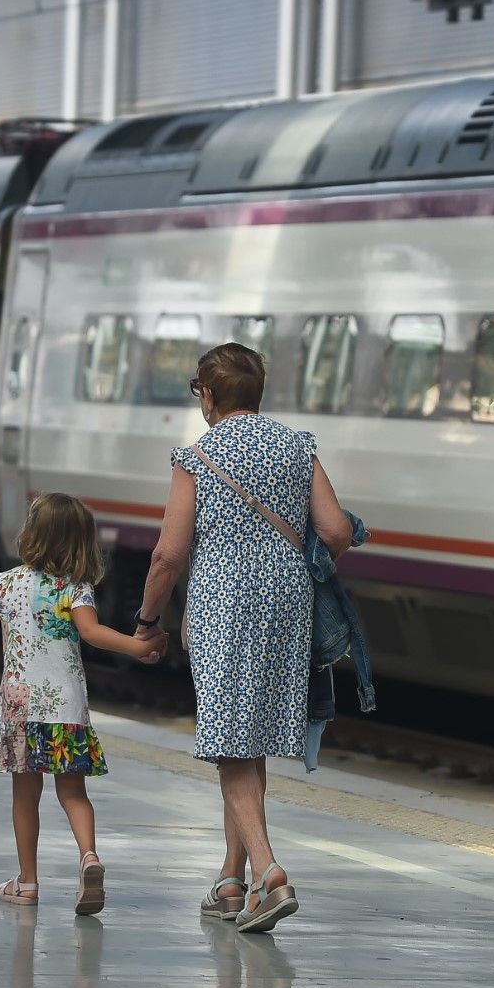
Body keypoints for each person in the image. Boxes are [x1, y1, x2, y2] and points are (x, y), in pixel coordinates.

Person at [134, 342, 355, 934]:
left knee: (231, 742)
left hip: (224, 607)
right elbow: (334, 528)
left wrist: (149, 619)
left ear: (207, 396)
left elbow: (168, 554)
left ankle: (269, 872)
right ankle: (232, 881)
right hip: (288, 605)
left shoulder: (198, 456)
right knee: (248, 737)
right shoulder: (296, 444)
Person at [0, 492, 160, 915]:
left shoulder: (2, 584)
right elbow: (92, 634)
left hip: (20, 712)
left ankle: (27, 883)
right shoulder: (75, 588)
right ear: (81, 542)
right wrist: (137, 647)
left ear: (31, 534)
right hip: (67, 710)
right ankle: (89, 857)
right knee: (74, 794)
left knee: (25, 797)